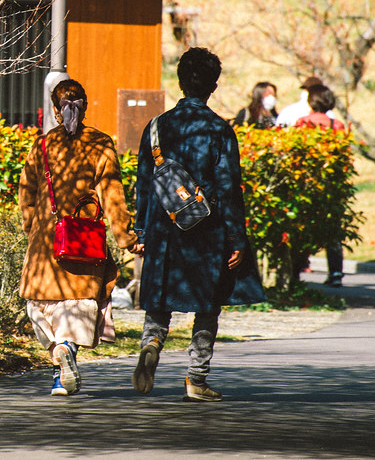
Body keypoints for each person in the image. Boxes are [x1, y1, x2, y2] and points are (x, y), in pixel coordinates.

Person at [130, 47, 266, 402]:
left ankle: (152, 343)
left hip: (163, 228)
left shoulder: (156, 127)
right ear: (213, 86)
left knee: (159, 299)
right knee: (208, 305)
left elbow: (144, 185)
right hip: (206, 229)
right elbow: (228, 187)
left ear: (179, 81)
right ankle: (196, 378)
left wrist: (141, 232)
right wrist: (237, 238)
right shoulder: (220, 129)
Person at [18, 79, 136, 396]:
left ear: (56, 110)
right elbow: (113, 195)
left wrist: (34, 227)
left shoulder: (42, 145)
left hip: (45, 246)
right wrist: (125, 237)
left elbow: (26, 194)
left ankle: (59, 362)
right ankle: (67, 349)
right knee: (80, 306)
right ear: (84, 106)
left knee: (42, 307)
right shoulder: (100, 144)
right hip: (85, 243)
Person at [294, 84, 347, 286]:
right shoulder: (337, 125)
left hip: (307, 183)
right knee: (333, 231)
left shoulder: (303, 123)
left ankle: (295, 273)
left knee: (301, 229)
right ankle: (336, 273)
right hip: (331, 185)